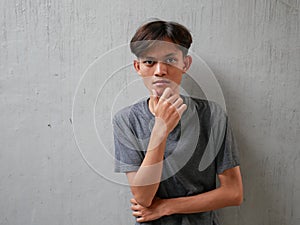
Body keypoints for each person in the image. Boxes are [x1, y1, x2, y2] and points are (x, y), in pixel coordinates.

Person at [113, 20, 243, 225]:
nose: (160, 71)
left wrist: (165, 207)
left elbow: (233, 193)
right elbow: (143, 198)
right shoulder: (127, 120)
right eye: (149, 62)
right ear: (138, 67)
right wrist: (160, 130)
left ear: (185, 64)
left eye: (170, 59)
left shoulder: (212, 115)